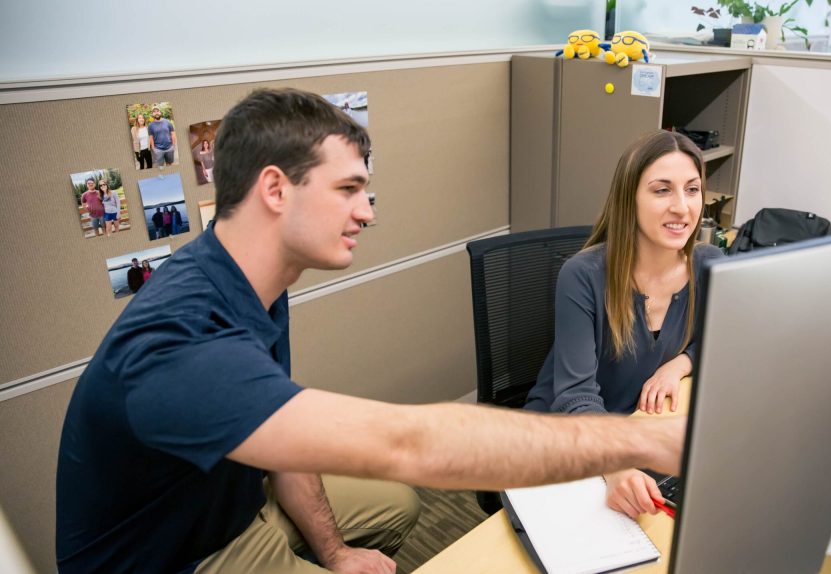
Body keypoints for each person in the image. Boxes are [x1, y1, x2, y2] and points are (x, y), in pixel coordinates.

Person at [56, 88, 685, 574]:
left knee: (400, 506)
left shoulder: (250, 283)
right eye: (350, 189)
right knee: (405, 474)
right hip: (176, 556)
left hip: (232, 498)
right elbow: (406, 445)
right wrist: (644, 445)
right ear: (275, 188)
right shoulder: (181, 338)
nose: (367, 210)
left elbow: (283, 434)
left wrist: (334, 552)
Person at [524, 130, 723, 519]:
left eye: (692, 189)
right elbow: (575, 397)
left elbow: (730, 340)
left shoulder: (709, 263)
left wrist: (681, 363)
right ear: (629, 198)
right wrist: (615, 465)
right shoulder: (583, 275)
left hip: (637, 429)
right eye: (662, 190)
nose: (682, 207)